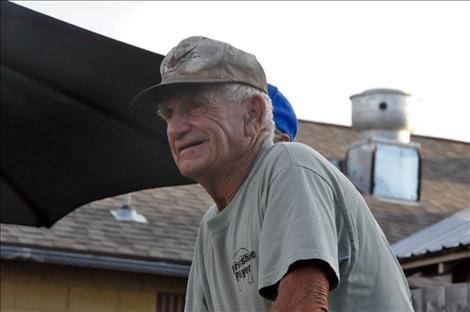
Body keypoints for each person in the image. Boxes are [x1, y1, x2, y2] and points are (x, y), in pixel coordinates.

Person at [133, 36, 412, 311]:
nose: (176, 128)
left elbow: (303, 303)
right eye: (169, 114)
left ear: (253, 113)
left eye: (195, 106)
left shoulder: (289, 164)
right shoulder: (210, 226)